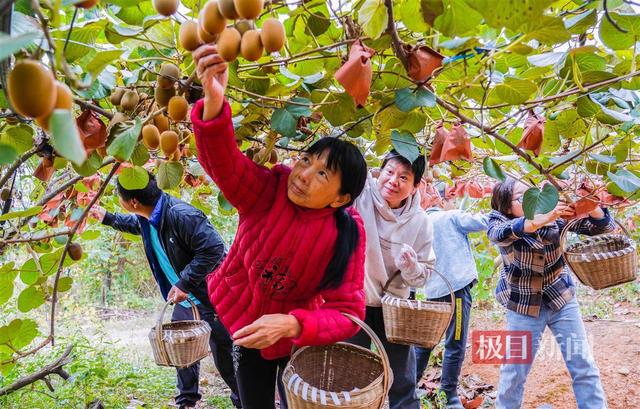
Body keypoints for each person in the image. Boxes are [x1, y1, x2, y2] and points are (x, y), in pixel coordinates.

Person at [191, 44, 369, 409]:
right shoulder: (269, 189)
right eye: (306, 159)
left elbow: (349, 314)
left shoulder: (347, 233)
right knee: (252, 400)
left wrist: (293, 325)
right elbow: (224, 164)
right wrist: (214, 101)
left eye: (322, 173)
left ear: (340, 198)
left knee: (297, 402)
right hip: (239, 317)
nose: (303, 174)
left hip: (294, 333)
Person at [91, 173, 240, 409]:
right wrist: (106, 217)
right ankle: (187, 401)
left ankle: (242, 400)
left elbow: (213, 249)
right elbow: (135, 224)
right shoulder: (147, 216)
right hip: (183, 301)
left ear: (134, 202)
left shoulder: (182, 215)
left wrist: (184, 283)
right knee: (182, 349)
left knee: (225, 356)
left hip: (210, 297)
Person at [487, 178, 614, 409]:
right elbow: (497, 233)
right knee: (514, 371)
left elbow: (601, 227)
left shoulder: (554, 214)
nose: (532, 200)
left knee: (582, 363)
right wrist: (535, 221)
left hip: (561, 299)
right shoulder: (500, 220)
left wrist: (589, 202)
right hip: (523, 306)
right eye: (521, 198)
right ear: (507, 206)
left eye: (532, 193)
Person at [350, 150, 436, 409]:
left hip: (395, 310)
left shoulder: (420, 221)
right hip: (355, 304)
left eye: (404, 177)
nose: (393, 181)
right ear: (380, 171)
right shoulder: (360, 197)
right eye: (389, 172)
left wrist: (411, 268)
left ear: (414, 186)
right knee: (351, 378)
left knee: (403, 381)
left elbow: (424, 275)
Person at [414, 182, 487, 409]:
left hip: (432, 293)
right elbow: (483, 222)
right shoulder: (451, 217)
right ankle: (449, 394)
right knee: (455, 342)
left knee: (425, 343)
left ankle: (409, 386)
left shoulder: (420, 222)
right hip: (456, 292)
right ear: (442, 200)